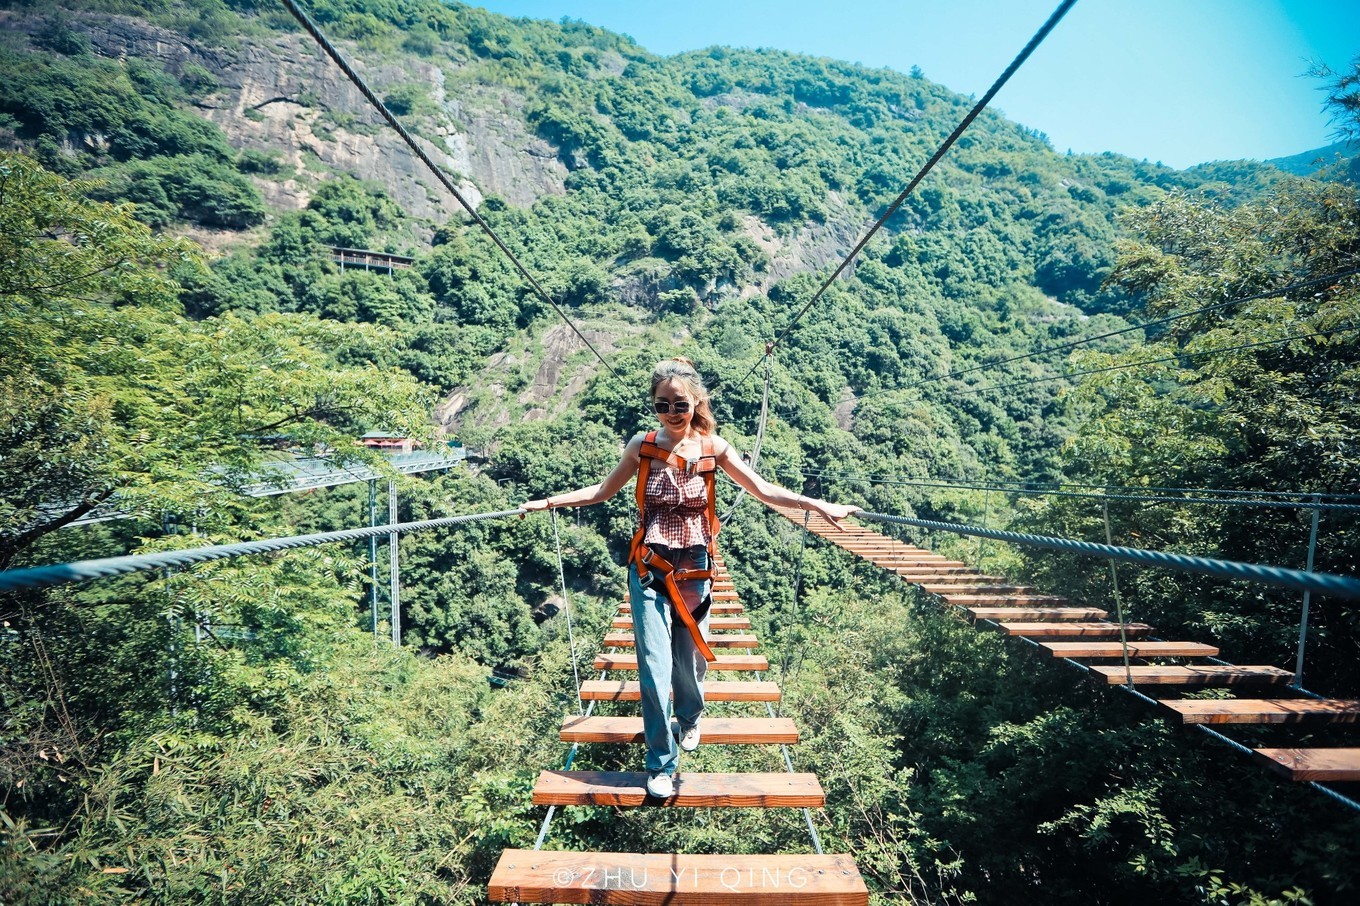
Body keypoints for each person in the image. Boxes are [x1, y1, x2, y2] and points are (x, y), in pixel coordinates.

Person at [522, 357, 858, 798]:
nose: (671, 414)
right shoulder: (641, 447)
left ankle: (691, 717)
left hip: (696, 569)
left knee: (690, 664)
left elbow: (762, 489)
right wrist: (548, 502)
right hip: (648, 569)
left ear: (695, 401)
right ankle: (660, 762)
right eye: (662, 406)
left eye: (680, 405)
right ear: (653, 406)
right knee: (655, 669)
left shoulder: (714, 448)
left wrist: (818, 505)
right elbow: (602, 492)